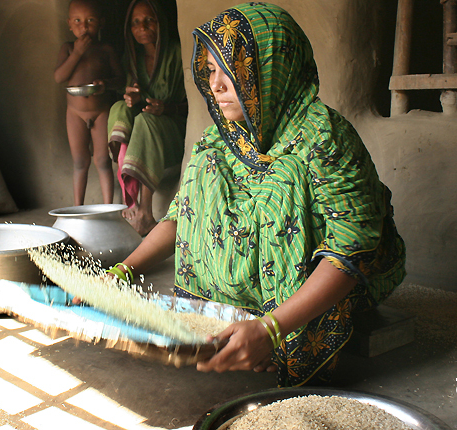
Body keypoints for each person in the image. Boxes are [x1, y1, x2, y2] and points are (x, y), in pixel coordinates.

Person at [109, 3, 406, 387]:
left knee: (284, 179)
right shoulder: (219, 137)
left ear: (269, 70)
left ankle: (284, 331)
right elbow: (181, 217)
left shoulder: (325, 137)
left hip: (346, 276)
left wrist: (271, 331)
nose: (215, 85)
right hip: (258, 288)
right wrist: (123, 272)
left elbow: (352, 250)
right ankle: (236, 317)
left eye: (231, 71)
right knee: (206, 166)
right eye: (211, 70)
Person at [108, 0, 188, 236]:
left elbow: (193, 104)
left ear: (160, 23)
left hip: (171, 132)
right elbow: (135, 101)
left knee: (145, 121)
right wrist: (132, 99)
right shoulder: (132, 58)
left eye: (149, 20)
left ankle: (145, 211)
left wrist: (166, 108)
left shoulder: (177, 52)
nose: (142, 27)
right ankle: (128, 195)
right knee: (119, 108)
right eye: (135, 22)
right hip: (145, 133)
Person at [54, 0, 123, 206]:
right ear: (69, 24)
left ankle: (108, 207)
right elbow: (59, 77)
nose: (84, 27)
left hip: (101, 111)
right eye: (78, 20)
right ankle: (78, 208)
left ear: (101, 23)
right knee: (80, 162)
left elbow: (121, 79)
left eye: (90, 21)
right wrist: (77, 53)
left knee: (102, 161)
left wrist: (106, 85)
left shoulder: (105, 49)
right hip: (75, 112)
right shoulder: (67, 49)